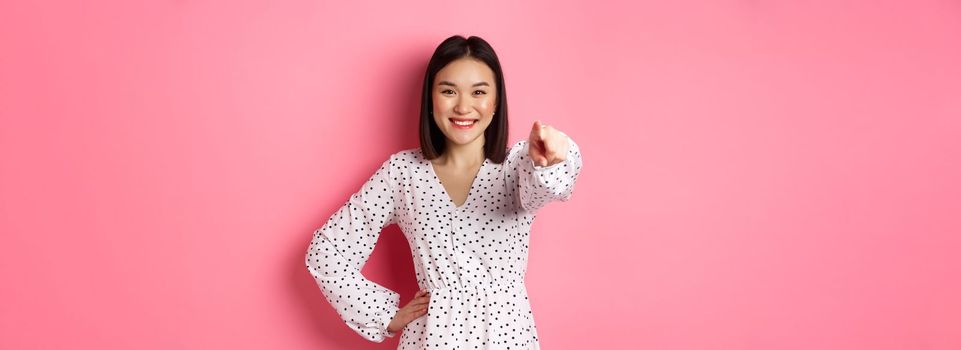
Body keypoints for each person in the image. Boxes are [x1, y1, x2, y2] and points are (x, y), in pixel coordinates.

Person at [305, 34, 583, 349]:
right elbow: (327, 252)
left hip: (506, 337)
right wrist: (384, 315)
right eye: (448, 91)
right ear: (431, 98)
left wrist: (556, 156)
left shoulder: (518, 165)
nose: (463, 106)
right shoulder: (402, 173)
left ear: (495, 101)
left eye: (479, 92)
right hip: (430, 338)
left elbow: (552, 183)